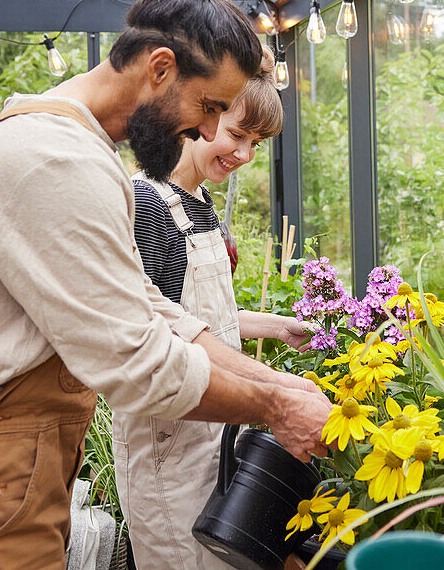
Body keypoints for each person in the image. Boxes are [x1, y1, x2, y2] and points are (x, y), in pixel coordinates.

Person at [0, 0, 332, 570]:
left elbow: (146, 308)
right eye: (211, 107)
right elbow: (138, 361)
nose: (205, 131)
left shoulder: (70, 144)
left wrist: (276, 380)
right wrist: (275, 408)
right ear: (160, 69)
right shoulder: (55, 161)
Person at [116, 54, 307, 568]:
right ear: (204, 114)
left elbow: (199, 318)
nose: (245, 154)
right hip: (168, 448)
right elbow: (152, 334)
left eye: (256, 144)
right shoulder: (149, 205)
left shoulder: (199, 203)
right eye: (237, 134)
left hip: (217, 435)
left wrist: (277, 327)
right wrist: (274, 391)